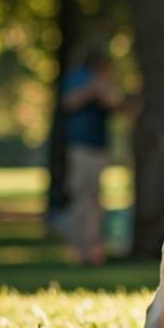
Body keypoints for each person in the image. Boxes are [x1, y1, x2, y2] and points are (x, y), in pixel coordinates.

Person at [61, 50, 130, 264]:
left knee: (94, 198)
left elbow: (117, 106)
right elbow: (69, 102)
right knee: (82, 195)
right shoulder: (79, 78)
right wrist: (94, 89)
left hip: (99, 147)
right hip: (80, 146)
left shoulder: (103, 84)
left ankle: (92, 246)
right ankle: (78, 247)